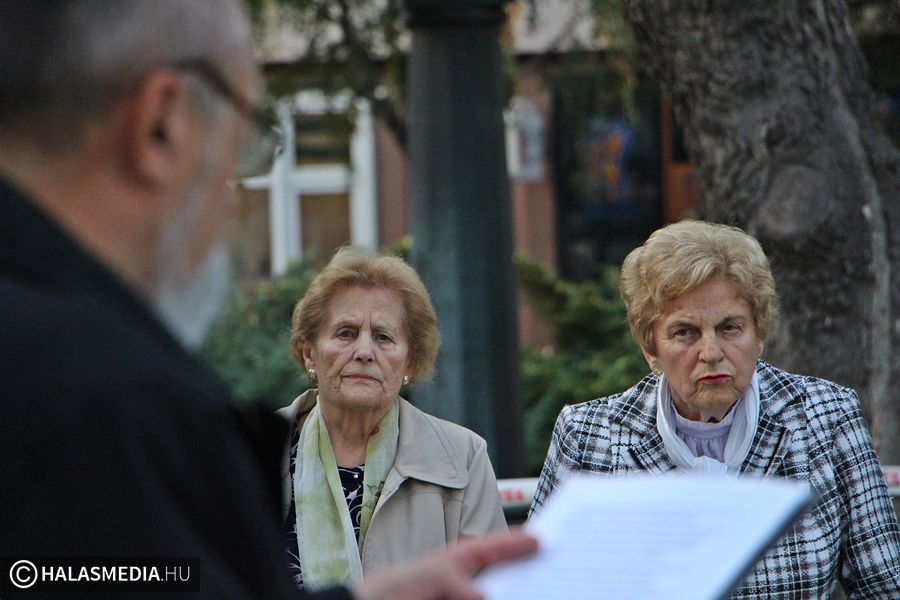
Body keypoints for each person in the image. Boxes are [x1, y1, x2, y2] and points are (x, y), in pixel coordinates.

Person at [0, 1, 535, 598]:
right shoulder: (115, 403)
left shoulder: (69, 370)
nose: (233, 199)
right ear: (160, 125)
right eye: (241, 148)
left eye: (384, 337)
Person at [531, 220, 900, 598]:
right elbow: (543, 589)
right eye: (685, 332)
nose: (710, 352)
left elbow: (885, 587)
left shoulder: (825, 417)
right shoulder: (589, 436)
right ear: (650, 348)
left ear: (759, 335)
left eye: (729, 328)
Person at [280, 247, 508, 590]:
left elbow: (492, 589)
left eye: (383, 337)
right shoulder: (253, 452)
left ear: (410, 361)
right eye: (346, 333)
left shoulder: (464, 457)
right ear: (309, 352)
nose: (364, 352)